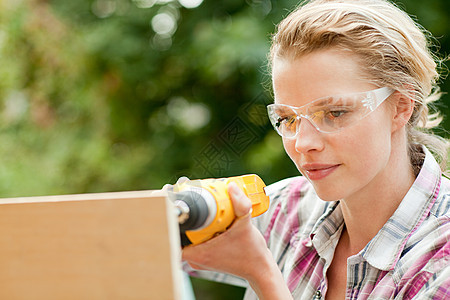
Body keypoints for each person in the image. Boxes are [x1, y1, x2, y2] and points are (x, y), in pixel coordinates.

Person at [181, 0, 450, 299]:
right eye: (287, 118)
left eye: (334, 113)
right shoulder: (287, 211)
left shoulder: (441, 259)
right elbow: (132, 246)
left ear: (400, 107)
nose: (302, 142)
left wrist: (261, 274)